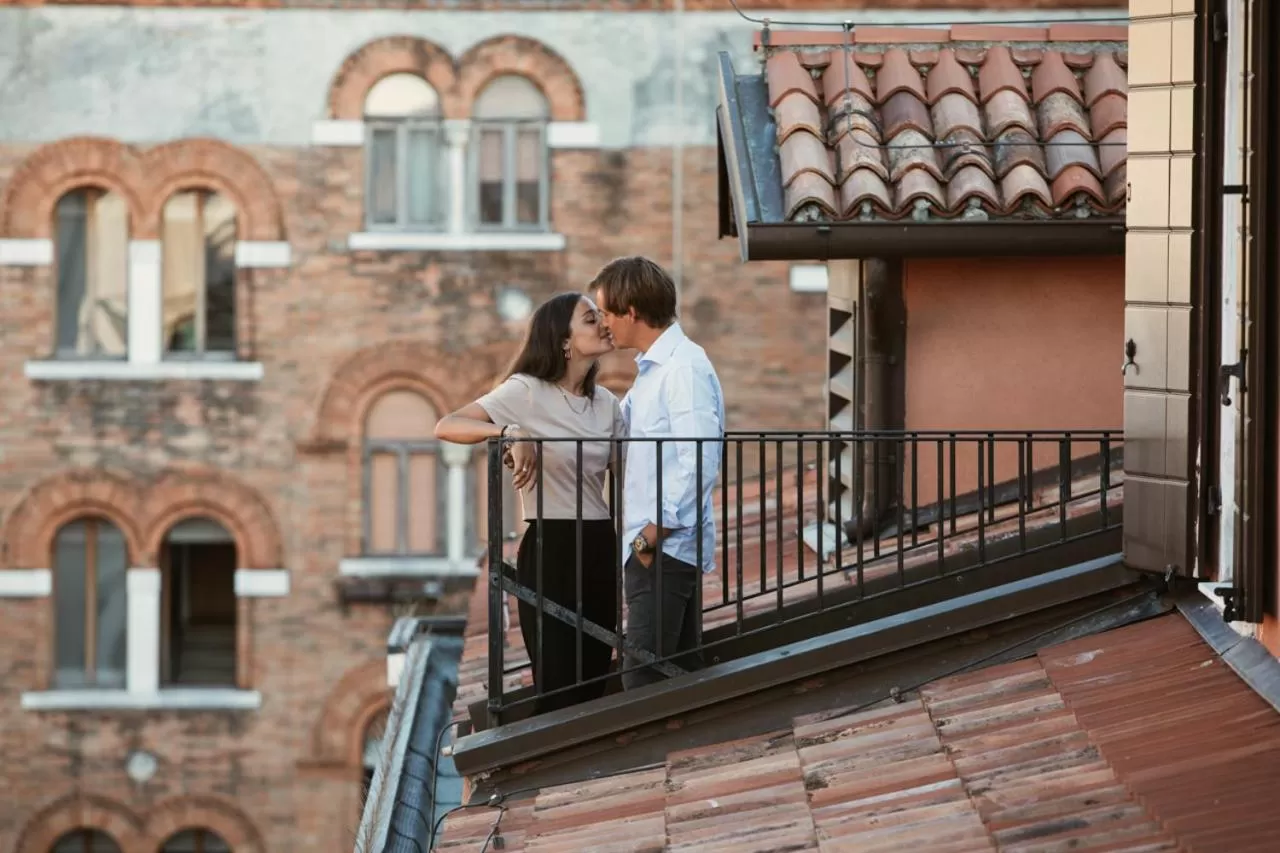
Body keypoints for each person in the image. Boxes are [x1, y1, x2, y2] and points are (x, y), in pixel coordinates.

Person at [434, 292, 624, 714]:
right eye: (590, 319)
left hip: (599, 542)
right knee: (557, 685)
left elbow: (627, 474)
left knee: (594, 678)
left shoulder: (608, 404)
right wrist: (511, 432)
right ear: (563, 341)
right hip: (550, 544)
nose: (603, 324)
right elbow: (448, 425)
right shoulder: (527, 391)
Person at [591, 256, 724, 690]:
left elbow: (700, 457)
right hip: (654, 548)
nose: (604, 324)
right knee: (676, 678)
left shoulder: (682, 368)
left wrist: (651, 534)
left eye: (607, 313)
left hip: (664, 549)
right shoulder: (653, 370)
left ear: (632, 312)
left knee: (643, 681)